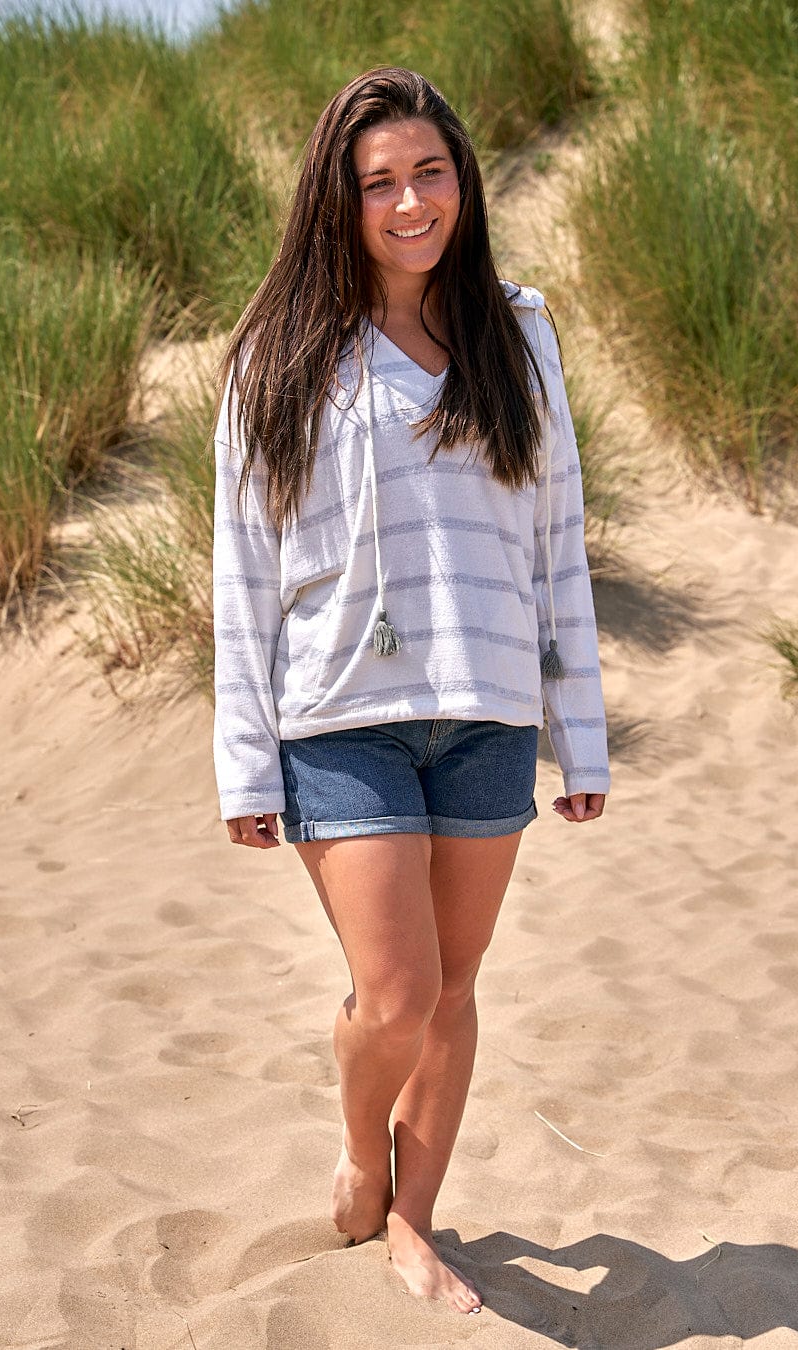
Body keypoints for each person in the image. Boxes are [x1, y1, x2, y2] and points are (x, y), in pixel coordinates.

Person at [211, 66, 609, 1314]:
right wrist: (244, 760)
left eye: (428, 172)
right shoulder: (277, 356)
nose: (408, 201)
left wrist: (578, 736)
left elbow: (558, 545)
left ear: (463, 182)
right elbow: (245, 570)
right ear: (340, 198)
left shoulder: (520, 332)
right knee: (395, 994)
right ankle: (356, 1150)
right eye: (378, 181)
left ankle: (415, 1222)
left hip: (487, 709)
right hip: (338, 716)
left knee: (454, 990)